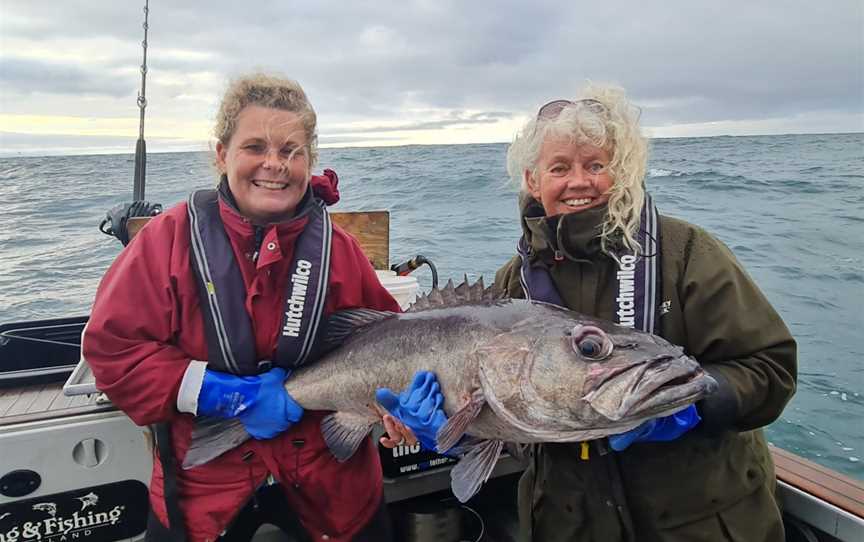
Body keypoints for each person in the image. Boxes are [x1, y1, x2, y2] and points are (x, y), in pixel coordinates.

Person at [82, 73, 405, 542]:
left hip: (335, 494)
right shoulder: (165, 242)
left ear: (309, 160)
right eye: (255, 147)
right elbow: (111, 353)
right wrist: (220, 393)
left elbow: (393, 346)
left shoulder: (342, 252)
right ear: (222, 154)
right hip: (201, 496)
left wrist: (404, 413)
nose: (274, 165)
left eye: (291, 151)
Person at [489, 85, 798, 541]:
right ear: (533, 180)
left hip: (699, 524)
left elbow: (772, 369)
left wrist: (696, 402)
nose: (579, 181)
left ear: (624, 172)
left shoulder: (687, 253)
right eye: (560, 168)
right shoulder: (512, 284)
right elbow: (521, 431)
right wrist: (463, 424)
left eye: (597, 165)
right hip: (568, 523)